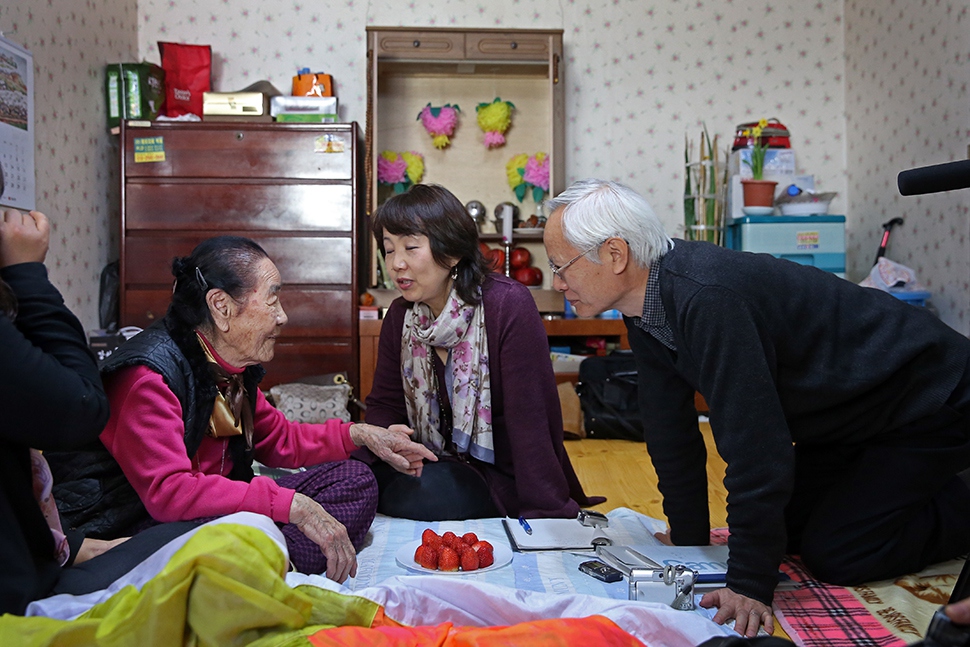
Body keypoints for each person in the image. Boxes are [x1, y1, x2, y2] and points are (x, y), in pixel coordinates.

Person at [542, 178, 970, 637]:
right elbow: (670, 429)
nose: (557, 281)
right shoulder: (643, 306)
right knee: (785, 530)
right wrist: (688, 539)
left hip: (927, 399)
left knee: (838, 552)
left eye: (561, 266)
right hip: (849, 418)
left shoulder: (707, 296)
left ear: (614, 254)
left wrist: (749, 584)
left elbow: (756, 448)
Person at [48, 235, 434, 584]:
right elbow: (170, 493)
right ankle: (254, 565)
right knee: (273, 516)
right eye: (273, 298)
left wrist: (360, 433)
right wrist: (290, 506)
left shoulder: (228, 367)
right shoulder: (148, 376)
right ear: (221, 306)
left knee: (354, 480)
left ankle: (252, 565)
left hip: (218, 513)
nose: (282, 315)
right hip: (139, 524)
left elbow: (279, 441)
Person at [361, 183, 602, 520]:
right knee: (352, 477)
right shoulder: (401, 316)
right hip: (429, 462)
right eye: (388, 250)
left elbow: (531, 418)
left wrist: (545, 510)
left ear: (453, 251)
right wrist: (391, 440)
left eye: (411, 247)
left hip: (497, 472)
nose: (397, 263)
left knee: (429, 495)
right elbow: (384, 406)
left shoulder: (506, 305)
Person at [0, 208, 196, 615]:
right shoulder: (153, 370)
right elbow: (80, 408)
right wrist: (27, 274)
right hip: (22, 594)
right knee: (228, 535)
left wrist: (72, 546)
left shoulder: (233, 371)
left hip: (45, 558)